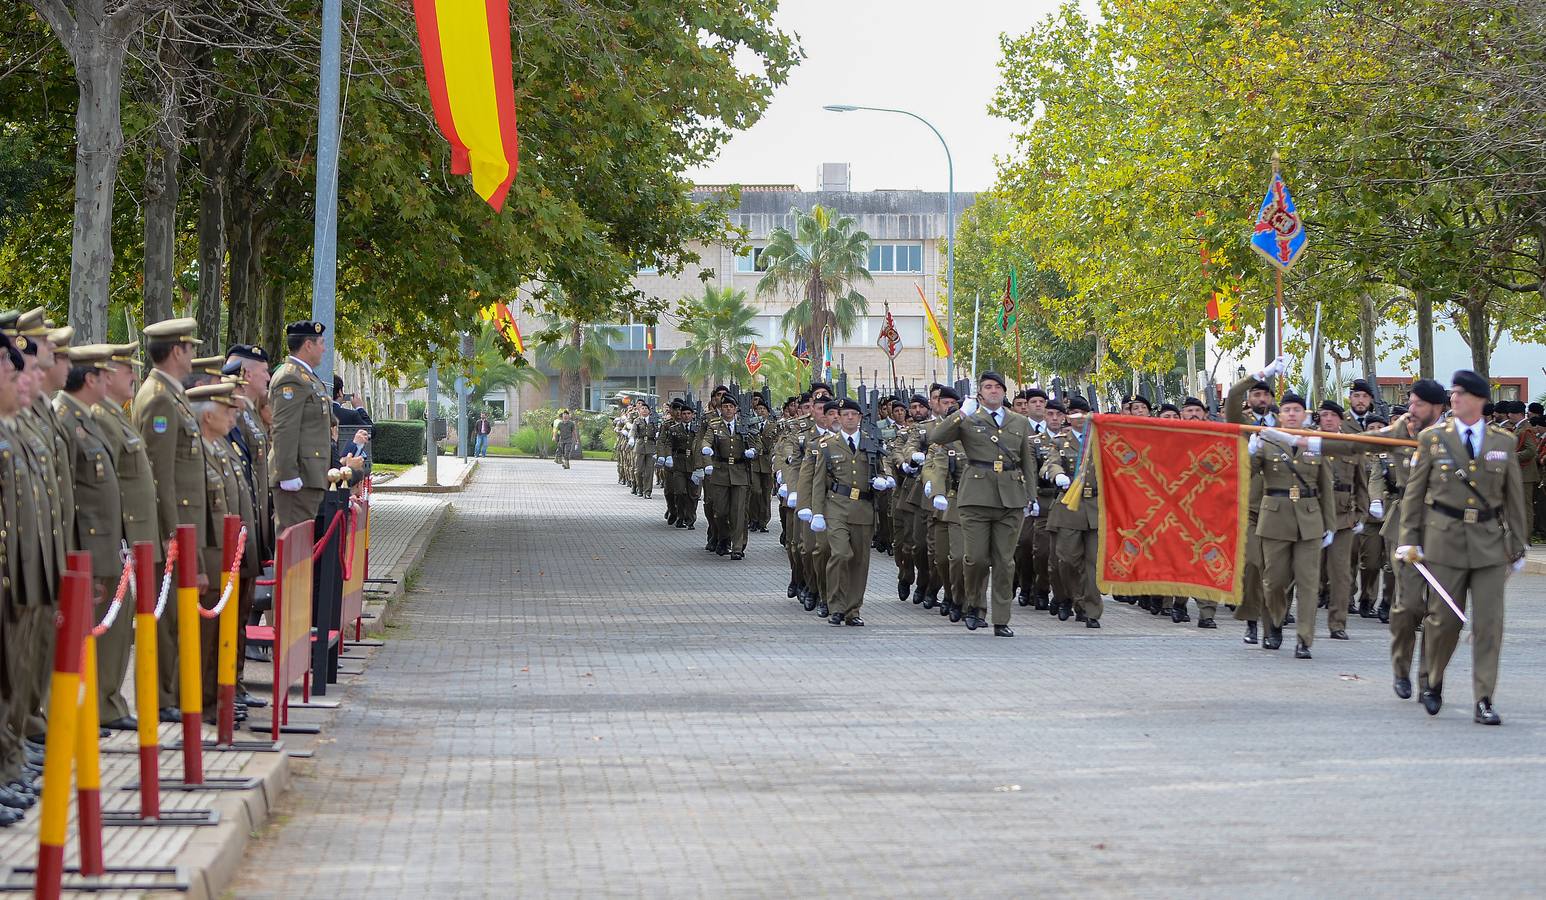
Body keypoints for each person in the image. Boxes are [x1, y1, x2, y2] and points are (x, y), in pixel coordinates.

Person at [1395, 370, 1528, 725]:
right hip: (1443, 541)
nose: (1454, 398)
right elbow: (1414, 494)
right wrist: (1409, 539)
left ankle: (1484, 698)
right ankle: (1433, 681)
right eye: (1452, 393)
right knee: (1444, 622)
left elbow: (1514, 500)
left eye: (1460, 393)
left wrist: (1518, 545)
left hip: (1488, 545)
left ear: (1479, 400)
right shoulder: (1433, 439)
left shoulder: (1503, 442)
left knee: (1489, 624)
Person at [56, 345, 133, 729]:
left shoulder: (86, 419)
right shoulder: (68, 421)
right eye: (105, 374)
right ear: (90, 379)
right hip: (86, 546)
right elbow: (67, 495)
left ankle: (104, 704)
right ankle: (87, 710)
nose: (113, 379)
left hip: (104, 545)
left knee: (114, 625)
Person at [924, 372, 1036, 637]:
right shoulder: (969, 418)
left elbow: (1027, 462)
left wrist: (1030, 497)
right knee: (974, 559)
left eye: (998, 387)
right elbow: (937, 436)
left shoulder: (1019, 422)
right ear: (980, 393)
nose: (993, 391)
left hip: (1010, 497)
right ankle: (974, 605)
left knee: (1004, 561)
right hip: (975, 496)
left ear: (1004, 392)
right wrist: (961, 413)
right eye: (988, 387)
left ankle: (1001, 618)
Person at [134, 316, 207, 718]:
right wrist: (169, 531)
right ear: (177, 350)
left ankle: (172, 693)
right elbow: (160, 472)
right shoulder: (160, 398)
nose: (193, 355)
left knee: (177, 618)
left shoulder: (170, 395)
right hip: (174, 524)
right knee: (167, 620)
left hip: (183, 523)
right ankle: (162, 698)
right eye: (190, 348)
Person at [1251, 393, 1336, 658]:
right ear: (1279, 415)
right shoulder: (1267, 441)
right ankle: (1274, 623)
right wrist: (1250, 452)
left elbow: (1326, 486)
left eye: (1296, 410)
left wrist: (1330, 525)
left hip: (1309, 519)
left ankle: (1304, 639)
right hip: (1275, 518)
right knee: (1273, 581)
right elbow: (1245, 472)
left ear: (1305, 415)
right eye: (1286, 410)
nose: (1291, 414)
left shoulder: (1315, 442)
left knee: (1308, 583)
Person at [1376, 380, 1445, 699]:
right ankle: (1401, 669)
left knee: (1439, 610)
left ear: (1437, 407)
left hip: (1446, 528)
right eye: (1410, 403)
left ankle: (1429, 678)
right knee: (1408, 607)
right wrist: (1310, 442)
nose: (1410, 410)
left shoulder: (1455, 436)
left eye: (1417, 404)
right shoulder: (1399, 431)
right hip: (1405, 526)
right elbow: (1354, 443)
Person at [807, 398, 892, 625]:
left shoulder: (871, 443)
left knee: (859, 562)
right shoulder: (827, 445)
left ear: (860, 418)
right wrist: (816, 512)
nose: (849, 418)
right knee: (841, 554)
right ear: (839, 417)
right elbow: (818, 482)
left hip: (863, 508)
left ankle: (853, 610)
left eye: (854, 414)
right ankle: (836, 606)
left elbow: (882, 470)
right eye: (845, 414)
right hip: (836, 506)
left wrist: (884, 481)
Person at [270, 321, 337, 532]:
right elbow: (284, 428)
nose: (324, 349)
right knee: (292, 548)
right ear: (308, 345)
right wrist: (288, 473)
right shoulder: (291, 377)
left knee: (301, 550)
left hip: (310, 477)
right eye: (321, 343)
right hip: (299, 477)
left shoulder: (307, 378)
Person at [696, 395, 755, 559]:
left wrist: (753, 451)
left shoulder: (744, 425)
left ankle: (737, 547)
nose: (728, 409)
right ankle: (724, 538)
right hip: (721, 471)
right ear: (720, 409)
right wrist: (707, 454)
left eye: (731, 406)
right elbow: (706, 441)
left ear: (736, 409)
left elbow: (756, 443)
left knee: (738, 512)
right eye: (725, 406)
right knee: (720, 512)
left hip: (740, 471)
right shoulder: (714, 426)